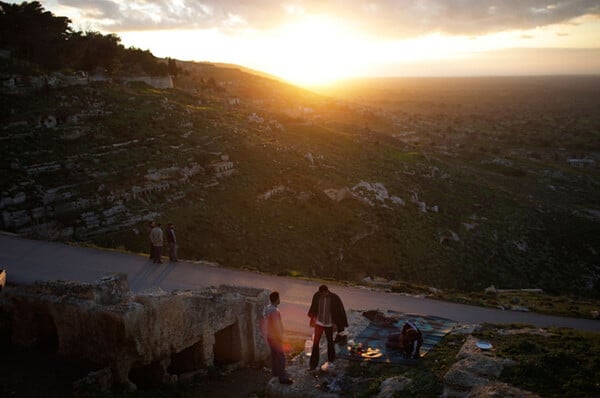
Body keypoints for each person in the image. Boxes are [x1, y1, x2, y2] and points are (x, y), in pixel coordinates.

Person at [307, 285, 348, 371]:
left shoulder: (334, 298)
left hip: (329, 324)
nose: (322, 295)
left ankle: (331, 360)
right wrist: (313, 318)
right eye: (320, 294)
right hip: (319, 323)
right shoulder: (317, 296)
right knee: (315, 343)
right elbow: (314, 307)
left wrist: (337, 324)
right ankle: (313, 365)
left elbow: (339, 311)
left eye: (323, 294)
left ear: (327, 291)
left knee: (330, 342)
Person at [261, 291, 293, 384]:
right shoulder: (275, 310)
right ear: (277, 299)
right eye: (279, 298)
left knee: (274, 356)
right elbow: (276, 325)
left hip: (269, 336)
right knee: (282, 357)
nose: (280, 299)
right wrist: (280, 336)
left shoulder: (267, 308)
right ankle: (282, 377)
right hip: (275, 337)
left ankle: (275, 373)